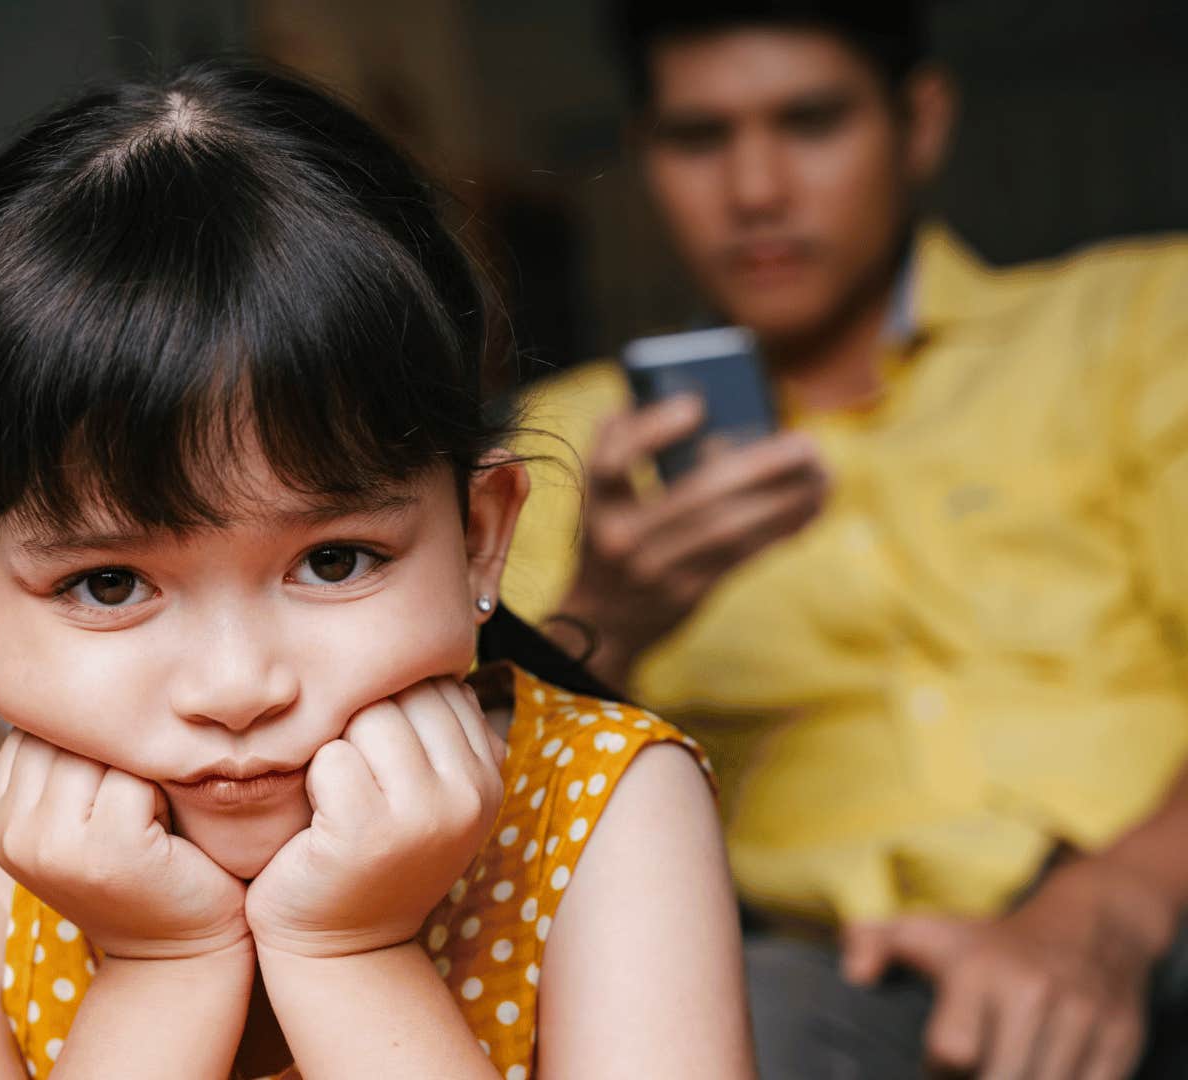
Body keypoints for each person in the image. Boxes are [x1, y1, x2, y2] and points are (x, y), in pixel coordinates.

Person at [0, 60, 752, 1079]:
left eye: (333, 561)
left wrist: (350, 954)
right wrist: (162, 967)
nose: (236, 688)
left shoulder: (603, 812)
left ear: (481, 538)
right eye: (107, 584)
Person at [501, 2, 1188, 1076]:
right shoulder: (566, 446)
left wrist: (1111, 907)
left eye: (811, 123)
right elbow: (476, 830)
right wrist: (605, 621)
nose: (757, 190)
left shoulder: (1137, 322)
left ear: (919, 123)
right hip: (828, 982)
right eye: (699, 138)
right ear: (645, 159)